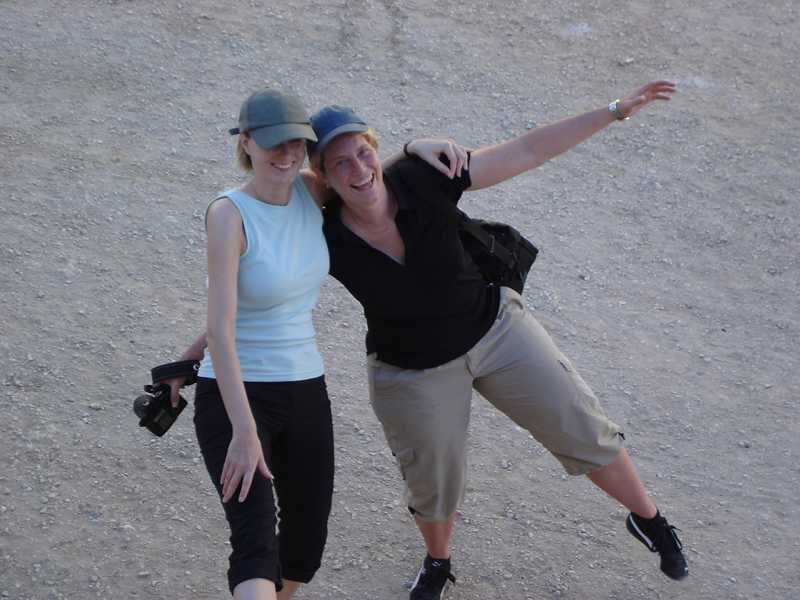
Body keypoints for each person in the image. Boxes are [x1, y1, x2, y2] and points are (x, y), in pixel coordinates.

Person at [303, 80, 687, 599]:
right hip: (411, 367)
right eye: (340, 164)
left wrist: (614, 110)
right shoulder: (321, 230)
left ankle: (650, 519)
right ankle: (438, 562)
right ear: (323, 177)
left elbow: (528, 150)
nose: (358, 169)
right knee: (433, 481)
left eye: (364, 153)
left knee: (581, 423)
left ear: (376, 149)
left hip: (494, 328)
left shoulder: (423, 175)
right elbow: (264, 203)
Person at [178, 88, 469, 600]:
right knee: (254, 543)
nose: (286, 153)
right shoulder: (229, 214)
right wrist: (244, 432)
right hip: (236, 395)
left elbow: (359, 173)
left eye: (296, 142)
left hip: (304, 387)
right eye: (273, 142)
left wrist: (414, 146)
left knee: (305, 544)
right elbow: (222, 327)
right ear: (246, 143)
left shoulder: (310, 192)